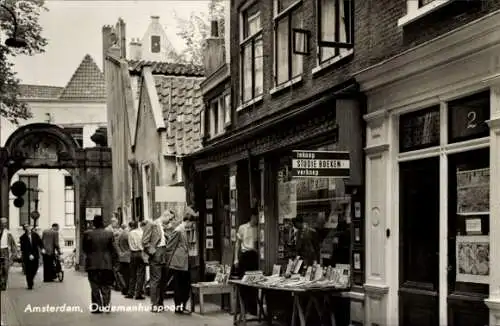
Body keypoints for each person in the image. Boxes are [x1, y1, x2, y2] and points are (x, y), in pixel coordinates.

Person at [83, 215, 118, 314]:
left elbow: (85, 249)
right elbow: (113, 250)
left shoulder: (87, 234)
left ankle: (97, 307)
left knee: (95, 286)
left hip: (92, 264)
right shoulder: (109, 234)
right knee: (106, 285)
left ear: (93, 223)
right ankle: (106, 305)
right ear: (103, 222)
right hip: (106, 264)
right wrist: (115, 262)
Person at [142, 210, 173, 312]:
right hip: (157, 254)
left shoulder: (164, 227)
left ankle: (160, 303)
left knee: (164, 280)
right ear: (165, 216)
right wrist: (153, 252)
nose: (170, 221)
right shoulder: (152, 224)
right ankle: (154, 304)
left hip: (165, 254)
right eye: (170, 219)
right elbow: (145, 241)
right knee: (155, 280)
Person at [166, 211, 196, 314]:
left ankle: (182, 306)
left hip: (184, 262)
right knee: (179, 285)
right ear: (187, 221)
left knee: (185, 285)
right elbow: (170, 245)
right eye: (191, 223)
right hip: (178, 263)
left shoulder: (185, 230)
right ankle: (178, 307)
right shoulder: (178, 230)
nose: (192, 226)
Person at [234, 207, 259, 315]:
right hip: (244, 255)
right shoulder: (242, 228)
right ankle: (242, 308)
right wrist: (236, 258)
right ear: (252, 217)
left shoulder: (258, 228)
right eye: (256, 217)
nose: (257, 219)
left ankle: (252, 308)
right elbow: (237, 244)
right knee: (243, 282)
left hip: (254, 256)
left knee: (254, 282)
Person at [19, 224, 44, 290]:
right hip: (27, 256)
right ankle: (30, 284)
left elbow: (40, 242)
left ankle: (31, 279)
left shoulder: (35, 235)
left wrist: (42, 249)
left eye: (29, 226)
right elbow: (23, 248)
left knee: (35, 268)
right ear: (24, 229)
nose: (28, 228)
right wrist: (29, 255)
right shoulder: (22, 237)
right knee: (28, 270)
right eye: (26, 227)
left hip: (35, 254)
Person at [127, 220, 145, 300]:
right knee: (141, 274)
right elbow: (141, 244)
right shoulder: (141, 233)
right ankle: (138, 293)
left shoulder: (130, 233)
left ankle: (130, 293)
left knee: (132, 274)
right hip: (140, 253)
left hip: (132, 254)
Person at [0, 217, 18, 291]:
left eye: (5, 223)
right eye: (2, 222)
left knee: (5, 268)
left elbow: (13, 245)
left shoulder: (8, 233)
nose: (3, 224)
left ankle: (3, 284)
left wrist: (13, 255)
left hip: (5, 251)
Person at [116, 223, 130, 295]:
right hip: (128, 257)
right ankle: (127, 288)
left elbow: (117, 245)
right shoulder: (127, 234)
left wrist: (120, 253)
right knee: (128, 274)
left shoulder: (120, 235)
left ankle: (124, 288)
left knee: (122, 273)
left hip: (122, 257)